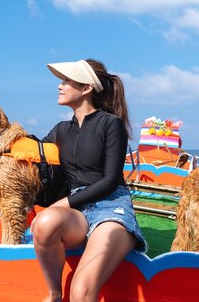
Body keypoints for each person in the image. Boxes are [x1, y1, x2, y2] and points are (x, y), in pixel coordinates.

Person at [31, 59, 147, 302]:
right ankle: (53, 294)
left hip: (111, 208)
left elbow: (110, 180)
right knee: (44, 222)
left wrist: (63, 203)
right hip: (78, 212)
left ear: (86, 89)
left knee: (81, 291)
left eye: (66, 81)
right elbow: (33, 151)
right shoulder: (61, 129)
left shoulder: (110, 124)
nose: (60, 86)